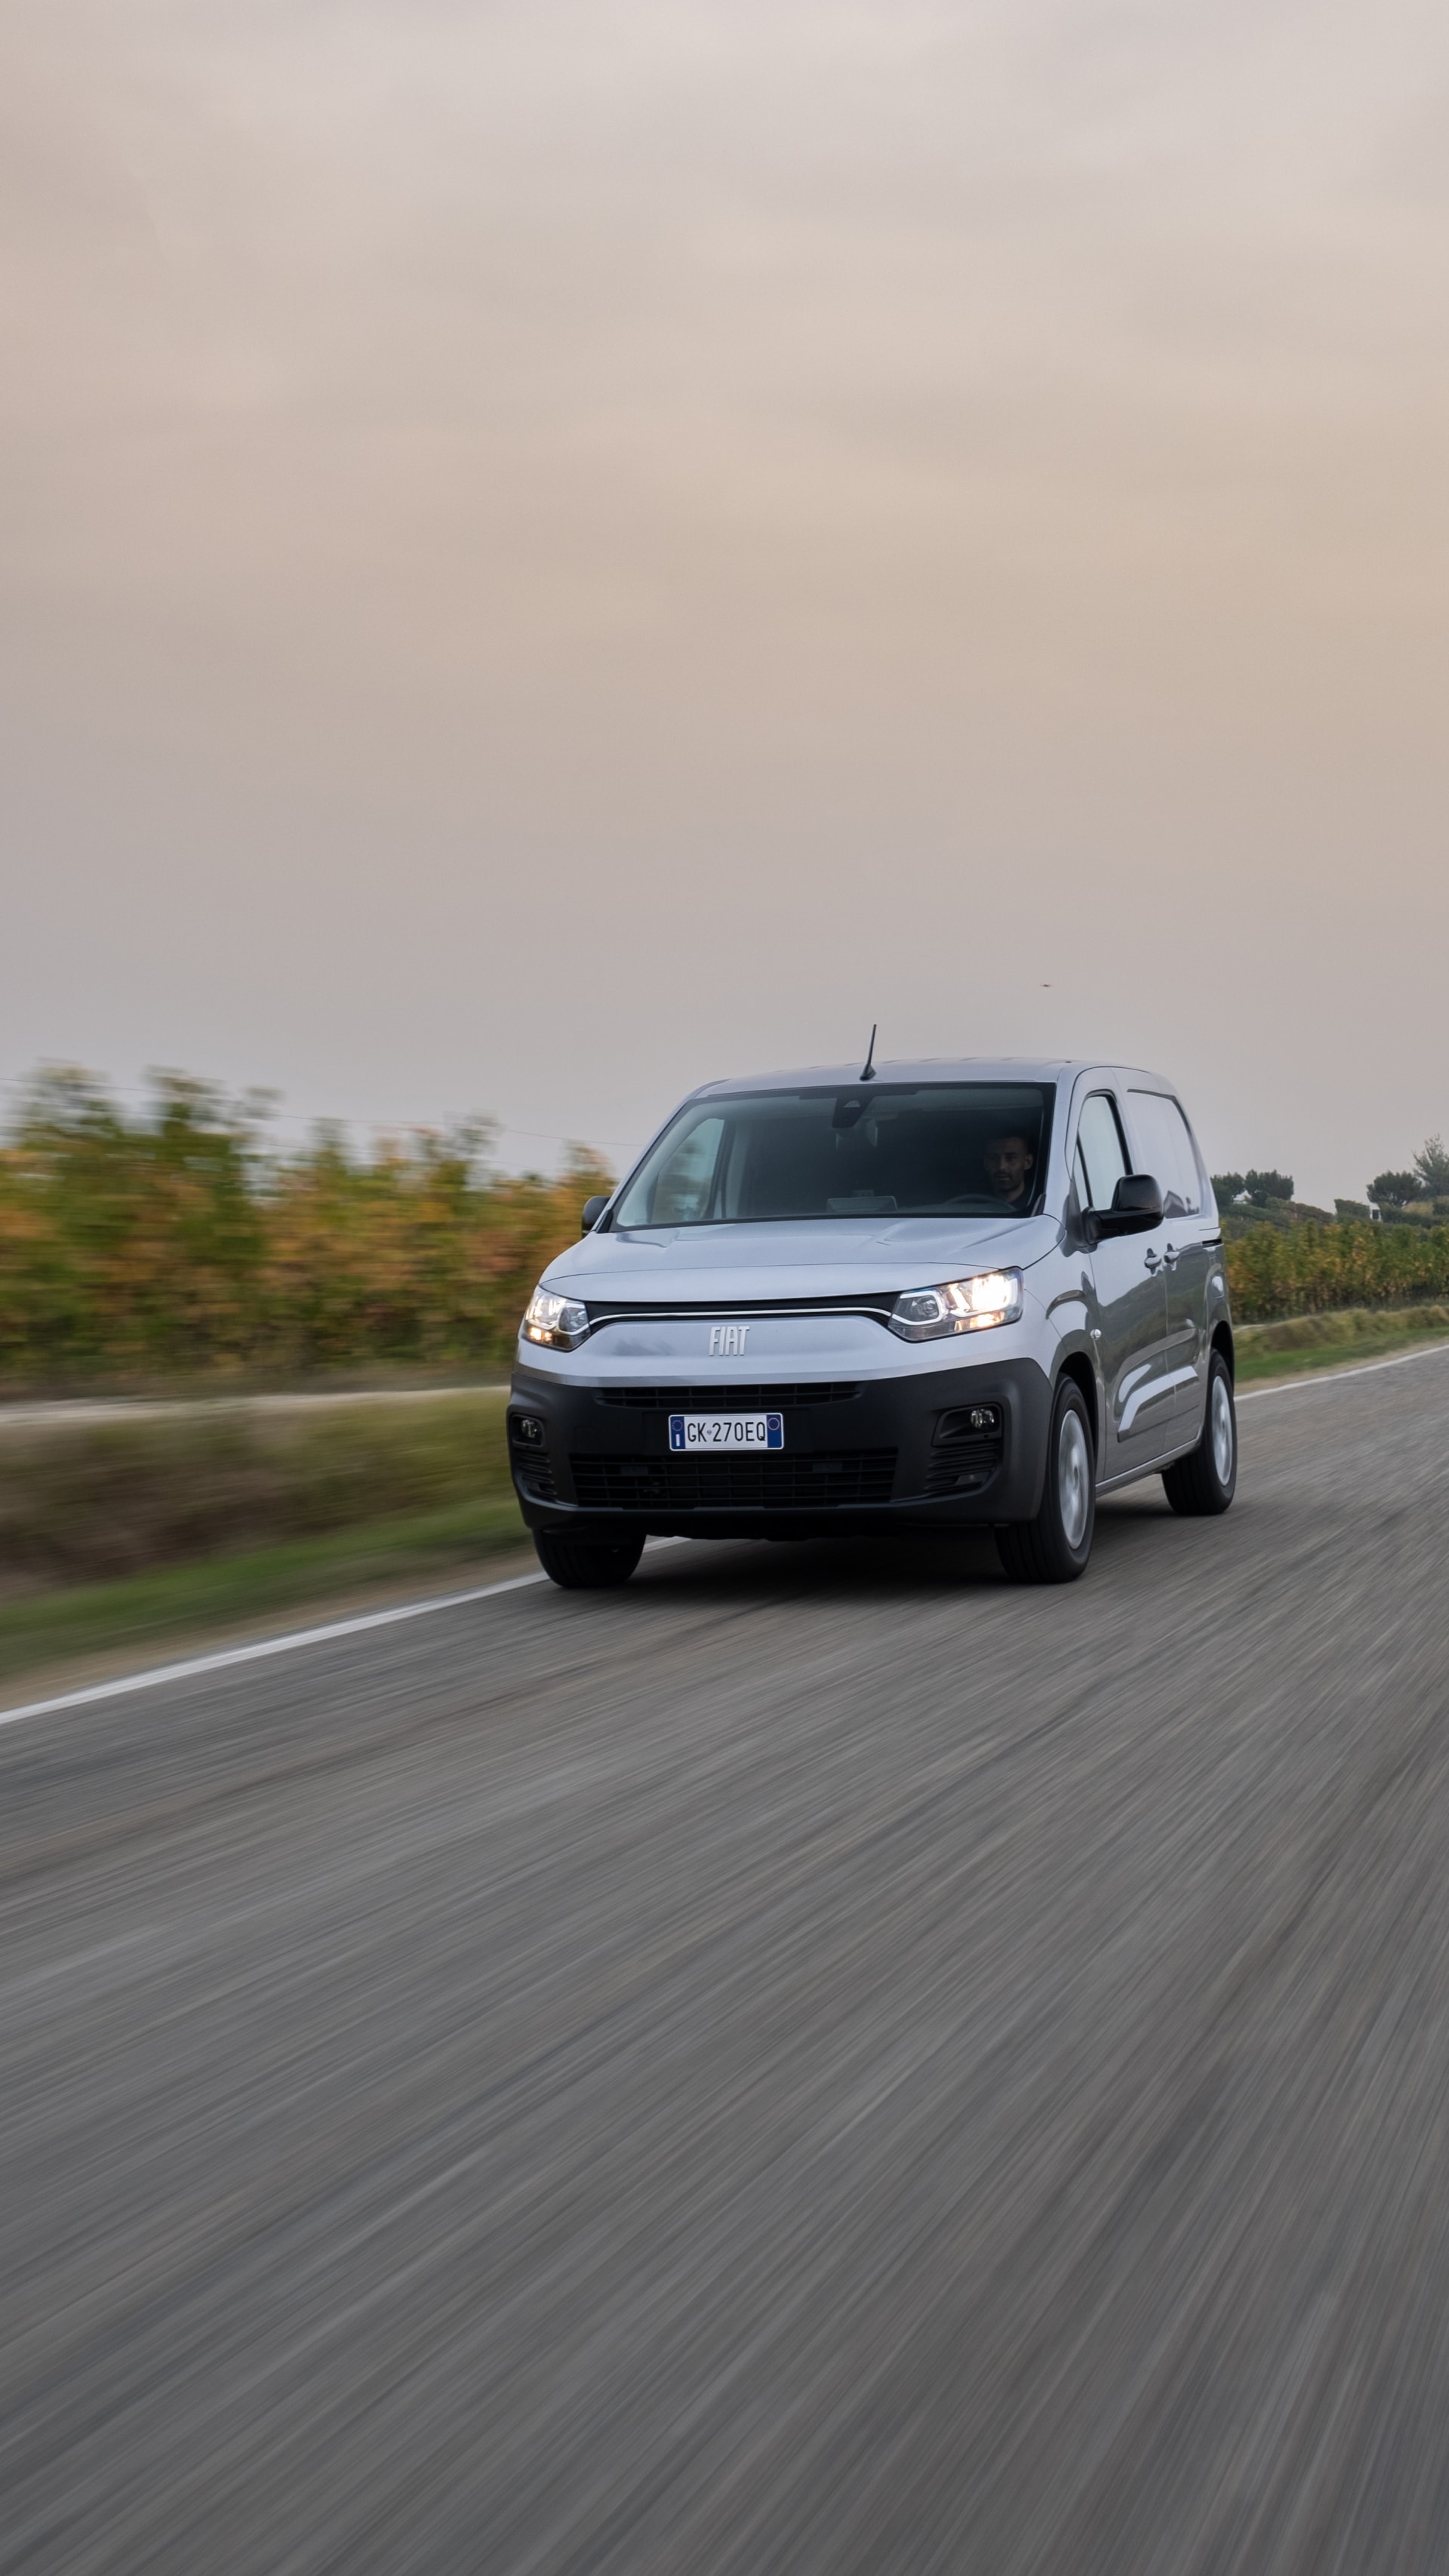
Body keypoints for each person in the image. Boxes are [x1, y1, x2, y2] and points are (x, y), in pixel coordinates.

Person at [984, 1131, 1035, 1208]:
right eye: (994, 1158)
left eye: (1011, 1158)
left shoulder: (1039, 1208)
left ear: (1027, 1162)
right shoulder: (970, 1206)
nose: (1001, 1167)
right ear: (986, 1163)